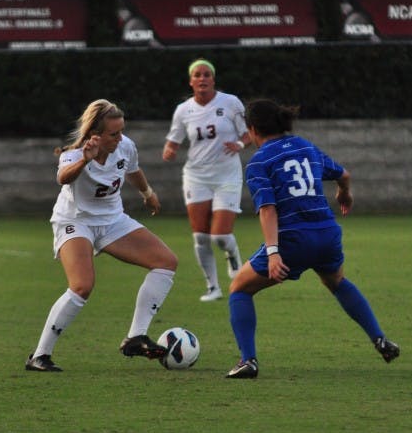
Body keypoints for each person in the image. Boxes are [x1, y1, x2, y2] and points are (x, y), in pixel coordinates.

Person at [224, 99, 400, 378]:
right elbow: (344, 174)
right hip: (327, 234)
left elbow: (268, 209)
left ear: (253, 129)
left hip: (293, 239)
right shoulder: (305, 146)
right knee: (336, 281)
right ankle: (380, 338)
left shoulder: (260, 161)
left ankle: (248, 360)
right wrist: (345, 192)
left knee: (239, 288)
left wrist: (273, 253)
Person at [26, 99, 178, 372]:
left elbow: (133, 171)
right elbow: (63, 178)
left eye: (121, 131)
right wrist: (85, 159)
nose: (120, 138)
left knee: (166, 261)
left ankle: (135, 337)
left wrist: (148, 194)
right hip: (75, 222)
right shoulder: (74, 154)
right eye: (113, 133)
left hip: (112, 221)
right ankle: (40, 355)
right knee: (82, 285)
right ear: (95, 133)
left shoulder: (125, 146)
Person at [162, 58, 250, 302]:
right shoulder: (183, 110)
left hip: (227, 175)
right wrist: (169, 150)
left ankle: (233, 255)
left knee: (220, 237)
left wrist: (241, 144)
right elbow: (173, 141)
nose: (202, 79)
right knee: (200, 236)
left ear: (213, 79)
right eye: (197, 75)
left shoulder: (230, 102)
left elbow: (248, 134)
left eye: (207, 74)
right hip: (196, 175)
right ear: (191, 81)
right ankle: (213, 287)